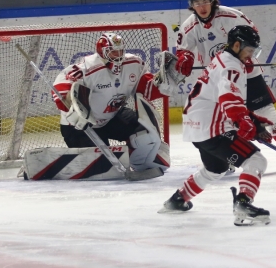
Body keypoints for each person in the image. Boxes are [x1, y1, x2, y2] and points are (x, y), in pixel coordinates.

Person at [178, 0, 276, 161]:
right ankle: (227, 157)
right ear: (191, 5)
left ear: (212, 1)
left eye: (205, 1)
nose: (202, 6)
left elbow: (253, 35)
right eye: (197, 3)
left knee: (269, 116)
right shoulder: (189, 26)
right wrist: (186, 57)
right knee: (228, 124)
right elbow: (183, 49)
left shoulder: (231, 16)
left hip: (248, 75)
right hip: (219, 80)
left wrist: (245, 56)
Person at [161, 25, 271, 226]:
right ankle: (243, 203)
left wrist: (253, 121)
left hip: (196, 127)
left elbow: (224, 97)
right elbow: (229, 97)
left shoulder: (222, 58)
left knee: (215, 168)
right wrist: (244, 121)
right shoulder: (232, 66)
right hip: (211, 127)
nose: (250, 56)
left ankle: (178, 200)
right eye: (249, 50)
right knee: (256, 161)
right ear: (237, 45)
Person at [51, 31, 183, 173]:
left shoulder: (133, 63)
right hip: (80, 126)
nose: (118, 55)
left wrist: (164, 84)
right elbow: (61, 85)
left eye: (120, 51)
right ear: (102, 52)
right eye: (113, 52)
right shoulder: (87, 68)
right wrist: (68, 104)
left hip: (112, 119)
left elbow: (145, 90)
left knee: (144, 131)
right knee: (102, 166)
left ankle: (141, 163)